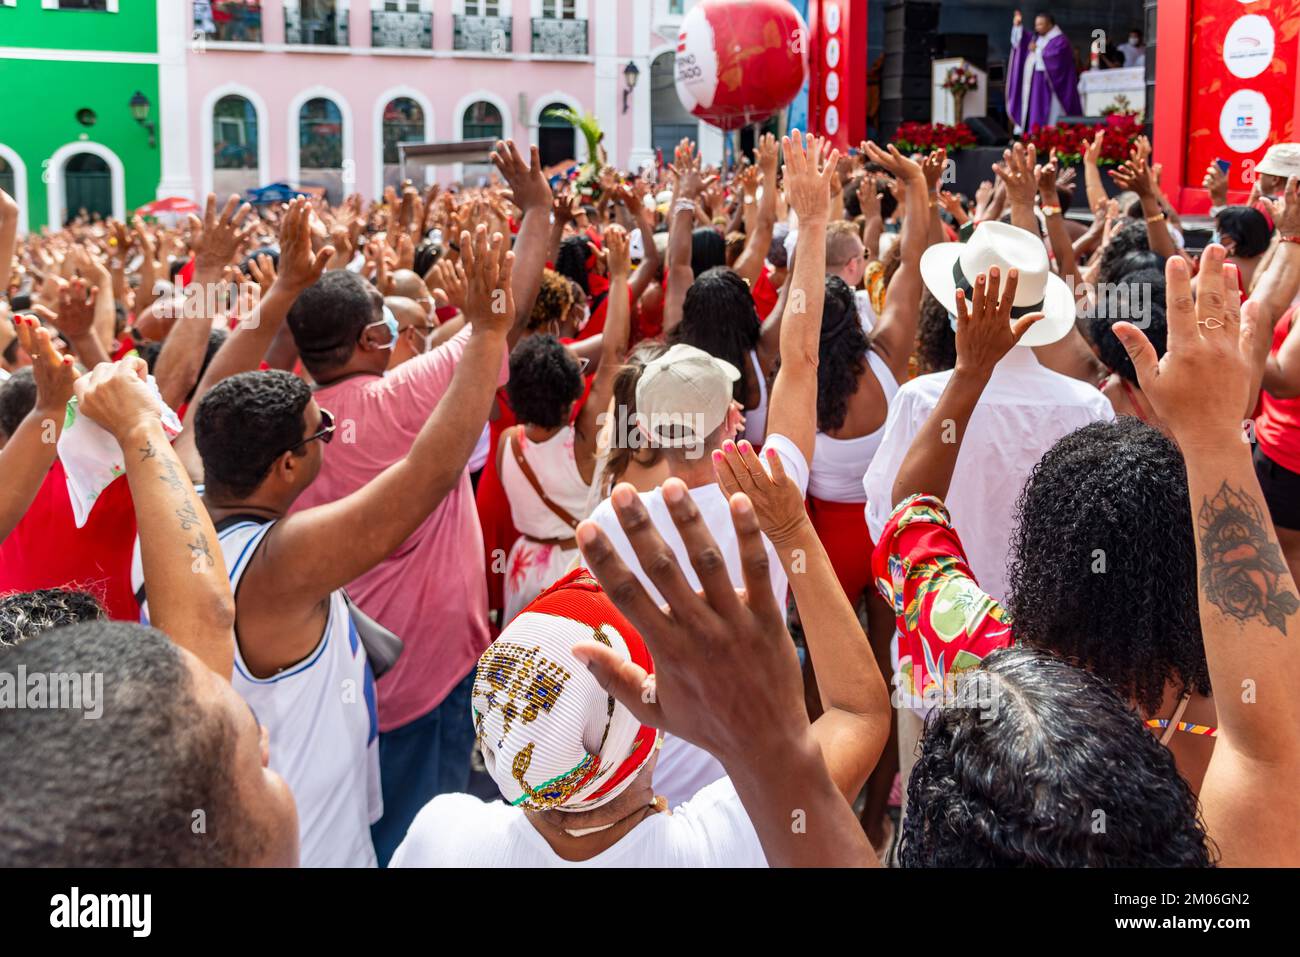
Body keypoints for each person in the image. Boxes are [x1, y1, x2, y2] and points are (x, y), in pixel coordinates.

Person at [882, 247, 1300, 866]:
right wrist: (1214, 439)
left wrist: (972, 372)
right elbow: (1271, 739)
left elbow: (912, 508)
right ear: (1190, 568)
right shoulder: (1240, 725)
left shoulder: (978, 655)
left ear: (1037, 552)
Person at [175, 224, 513, 868]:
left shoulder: (179, 508)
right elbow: (426, 476)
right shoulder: (283, 561)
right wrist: (489, 335)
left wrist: (281, 292)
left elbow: (197, 416)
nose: (330, 429)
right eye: (319, 430)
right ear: (286, 469)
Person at [286, 143, 553, 865]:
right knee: (435, 836)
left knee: (380, 832)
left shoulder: (284, 418)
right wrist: (536, 209)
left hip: (354, 674)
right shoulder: (401, 399)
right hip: (431, 676)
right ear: (375, 338)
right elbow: (507, 310)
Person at [588, 131, 837, 808]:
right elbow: (802, 355)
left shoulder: (608, 519)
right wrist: (810, 225)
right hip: (755, 778)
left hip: (648, 779)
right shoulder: (771, 488)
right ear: (734, 417)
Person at [1, 358, 299, 867]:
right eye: (253, 765)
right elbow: (203, 619)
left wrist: (48, 411)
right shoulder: (178, 781)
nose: (266, 745)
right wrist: (138, 425)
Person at [498, 225, 633, 621]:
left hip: (524, 574)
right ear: (572, 398)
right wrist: (622, 274)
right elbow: (616, 353)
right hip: (575, 576)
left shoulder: (508, 441)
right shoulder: (583, 444)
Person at [1007, 10, 1083, 135]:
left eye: (1040, 24)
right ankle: (1035, 133)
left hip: (1051, 85)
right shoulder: (1038, 38)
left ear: (1050, 25)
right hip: (1036, 82)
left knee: (1050, 114)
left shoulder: (1060, 40)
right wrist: (1018, 26)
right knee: (1036, 109)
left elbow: (1055, 59)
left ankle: (1049, 135)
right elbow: (1022, 40)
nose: (1037, 28)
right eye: (1036, 24)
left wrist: (1037, 50)